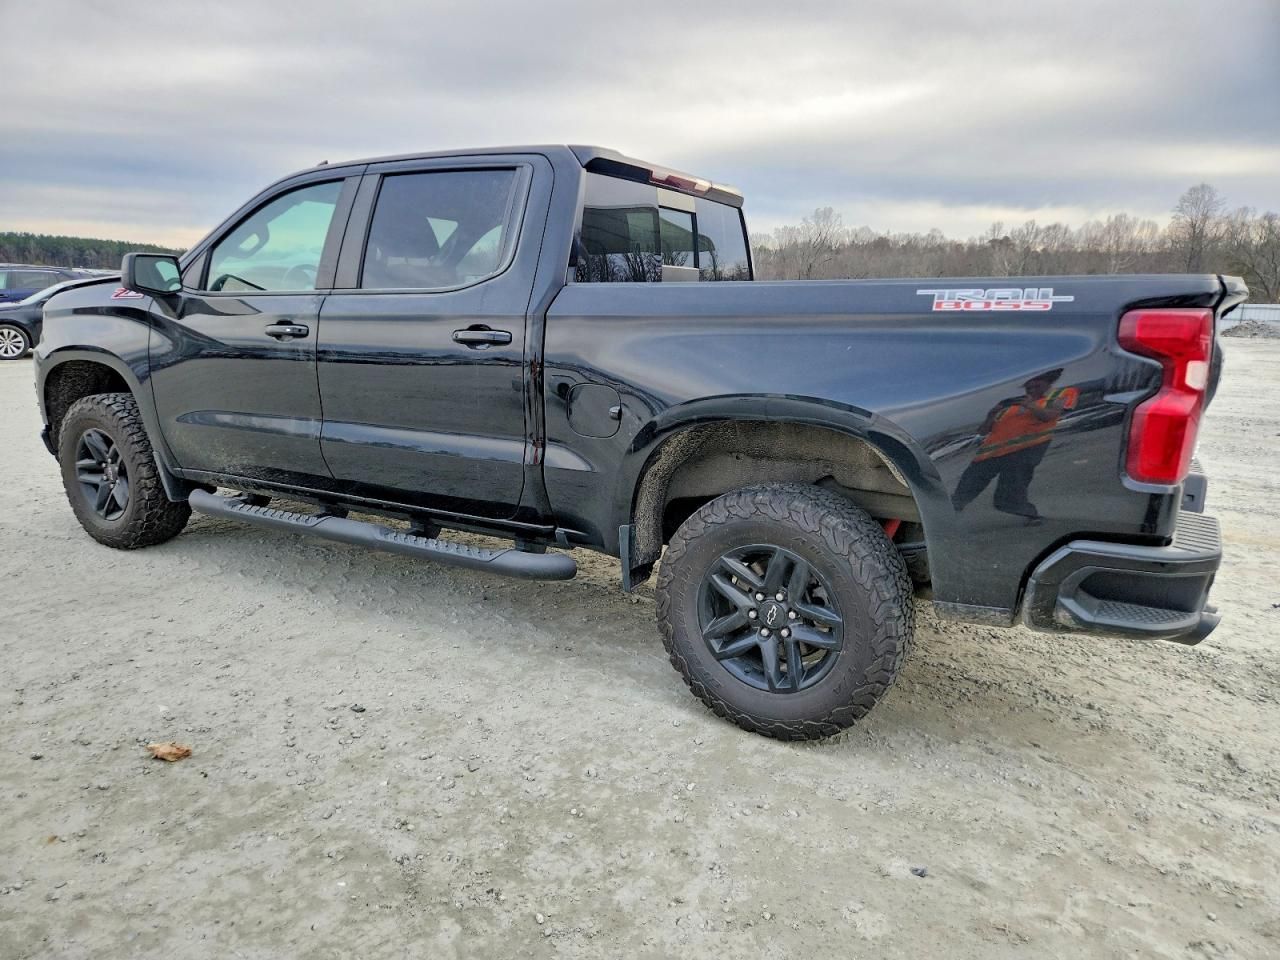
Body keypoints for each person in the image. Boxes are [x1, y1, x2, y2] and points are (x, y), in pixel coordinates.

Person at [952, 369, 1079, 521]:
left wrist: (1031, 405)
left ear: (1048, 382)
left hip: (1025, 448)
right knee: (968, 483)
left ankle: (1031, 516)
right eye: (1028, 387)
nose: (1031, 389)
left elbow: (1050, 416)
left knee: (1012, 488)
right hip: (990, 452)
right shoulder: (1009, 404)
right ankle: (950, 513)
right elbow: (983, 431)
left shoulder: (1060, 394)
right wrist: (991, 415)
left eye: (1037, 385)